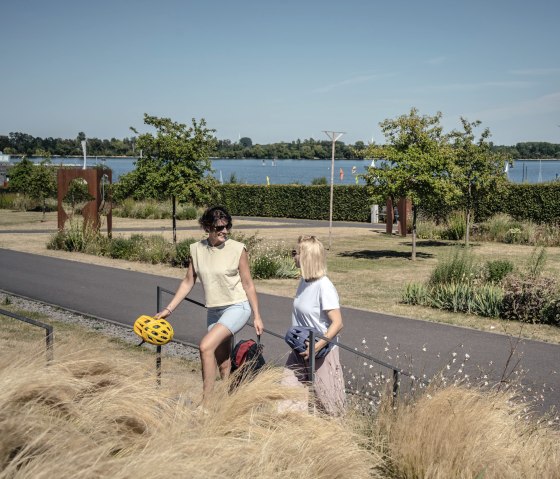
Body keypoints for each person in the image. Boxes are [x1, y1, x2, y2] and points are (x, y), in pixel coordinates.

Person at [156, 206, 264, 406]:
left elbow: (248, 284)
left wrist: (257, 316)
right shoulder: (196, 250)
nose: (225, 231)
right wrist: (168, 310)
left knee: (205, 346)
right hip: (214, 311)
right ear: (207, 228)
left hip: (237, 307)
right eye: (219, 227)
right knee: (223, 364)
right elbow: (188, 281)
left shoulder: (238, 249)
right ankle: (232, 406)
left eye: (227, 226)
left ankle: (205, 405)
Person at [284, 235, 345, 416]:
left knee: (329, 407)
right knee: (287, 396)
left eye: (295, 252)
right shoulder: (304, 281)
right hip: (299, 350)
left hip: (322, 353)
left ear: (306, 257)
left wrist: (316, 346)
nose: (293, 256)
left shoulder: (324, 286)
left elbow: (338, 323)